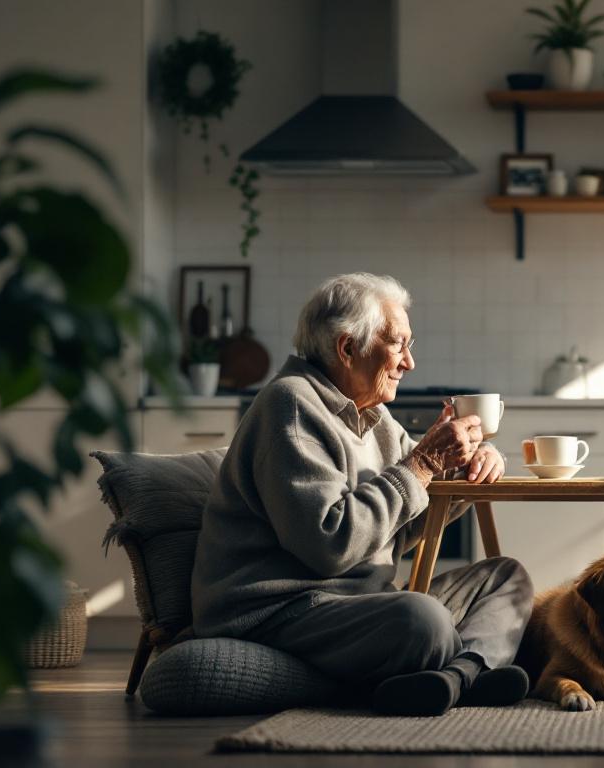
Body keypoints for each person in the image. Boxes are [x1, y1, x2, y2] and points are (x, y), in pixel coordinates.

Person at [191, 272, 533, 717]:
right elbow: (330, 547)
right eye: (398, 344)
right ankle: (473, 667)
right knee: (422, 620)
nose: (409, 363)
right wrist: (425, 463)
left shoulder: (375, 417)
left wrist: (475, 464)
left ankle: (453, 677)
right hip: (285, 609)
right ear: (347, 348)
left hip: (362, 603)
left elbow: (408, 519)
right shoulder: (290, 405)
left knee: (508, 577)